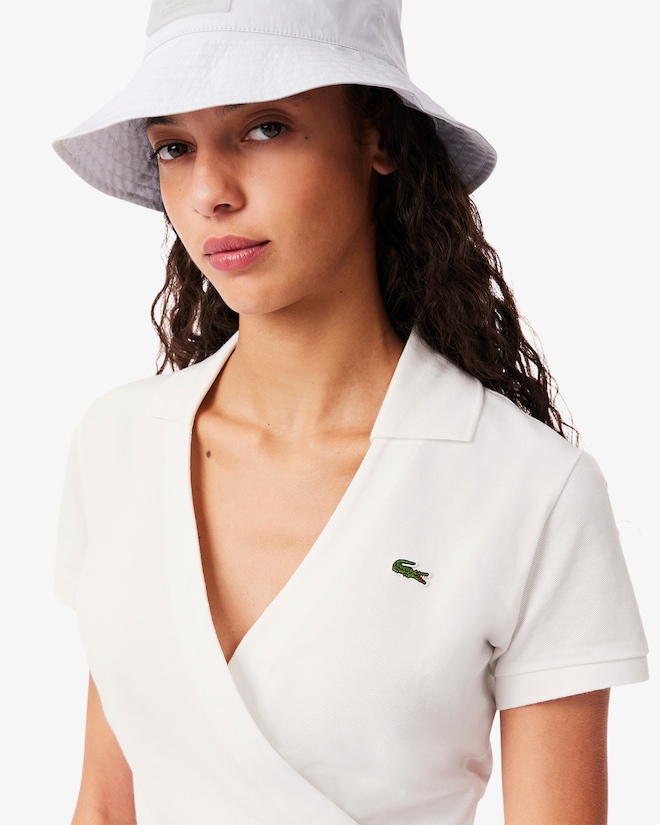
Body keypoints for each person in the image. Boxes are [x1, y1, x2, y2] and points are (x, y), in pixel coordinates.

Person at [53, 1, 648, 823]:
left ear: (379, 137)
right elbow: (102, 806)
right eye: (174, 146)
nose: (210, 193)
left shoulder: (531, 489)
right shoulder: (117, 445)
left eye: (264, 127)